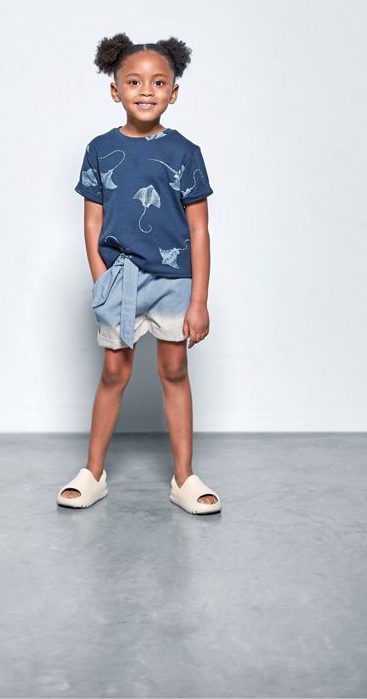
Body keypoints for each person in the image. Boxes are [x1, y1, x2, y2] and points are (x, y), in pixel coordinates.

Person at [57, 33, 222, 515]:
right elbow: (92, 221)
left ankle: (184, 478)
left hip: (174, 281)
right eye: (133, 81)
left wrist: (199, 300)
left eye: (158, 82)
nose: (146, 90)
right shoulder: (99, 149)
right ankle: (93, 473)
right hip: (121, 278)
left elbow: (200, 229)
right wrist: (102, 279)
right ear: (115, 91)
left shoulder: (185, 152)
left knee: (174, 370)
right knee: (114, 371)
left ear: (174, 92)